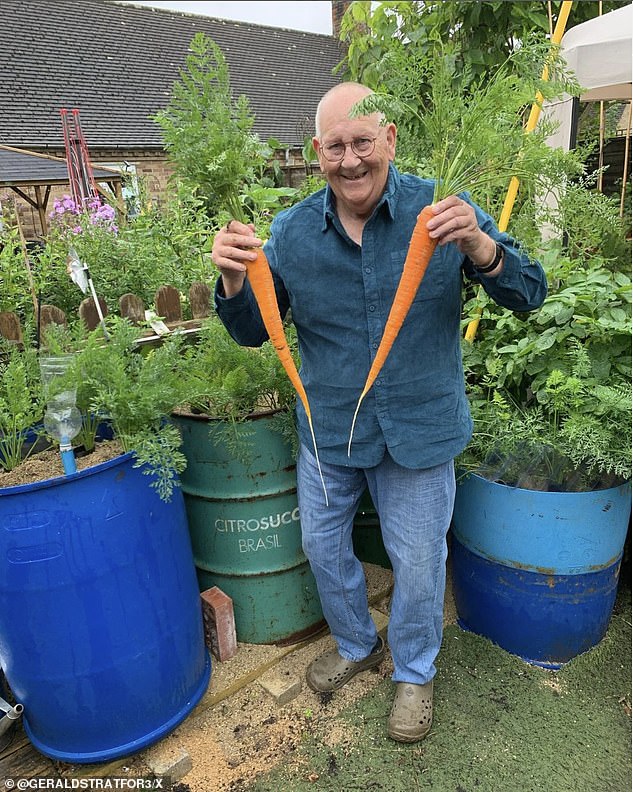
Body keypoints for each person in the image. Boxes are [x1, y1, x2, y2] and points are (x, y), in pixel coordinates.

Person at [211, 82, 547, 743]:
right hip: (329, 427)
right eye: (335, 146)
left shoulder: (440, 210)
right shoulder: (293, 232)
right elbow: (255, 331)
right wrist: (230, 281)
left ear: (388, 139)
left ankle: (414, 673)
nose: (351, 159)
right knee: (320, 545)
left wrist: (482, 249)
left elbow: (529, 292)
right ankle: (355, 642)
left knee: (418, 562)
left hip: (420, 429)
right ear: (317, 153)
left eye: (363, 141)